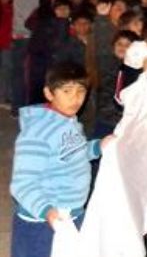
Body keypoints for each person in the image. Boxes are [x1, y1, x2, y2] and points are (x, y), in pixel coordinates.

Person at [10, 62, 113, 257]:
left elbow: (72, 153)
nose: (75, 99)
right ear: (49, 93)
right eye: (67, 91)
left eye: (81, 91)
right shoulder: (37, 133)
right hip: (42, 222)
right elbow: (22, 183)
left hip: (71, 214)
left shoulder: (69, 122)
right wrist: (46, 210)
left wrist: (98, 146)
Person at [11, 0, 50, 114]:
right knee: (24, 75)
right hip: (26, 37)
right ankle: (20, 107)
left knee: (21, 74)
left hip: (23, 36)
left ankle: (18, 107)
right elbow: (31, 18)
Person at [92, 30, 138, 138]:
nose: (122, 47)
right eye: (119, 44)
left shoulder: (134, 70)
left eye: (127, 45)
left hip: (126, 120)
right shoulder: (107, 65)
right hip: (106, 118)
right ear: (113, 46)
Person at [0, 0, 14, 104]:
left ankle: (4, 95)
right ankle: (4, 95)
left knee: (7, 69)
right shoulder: (8, 9)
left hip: (6, 43)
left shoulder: (10, 9)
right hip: (6, 42)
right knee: (6, 69)